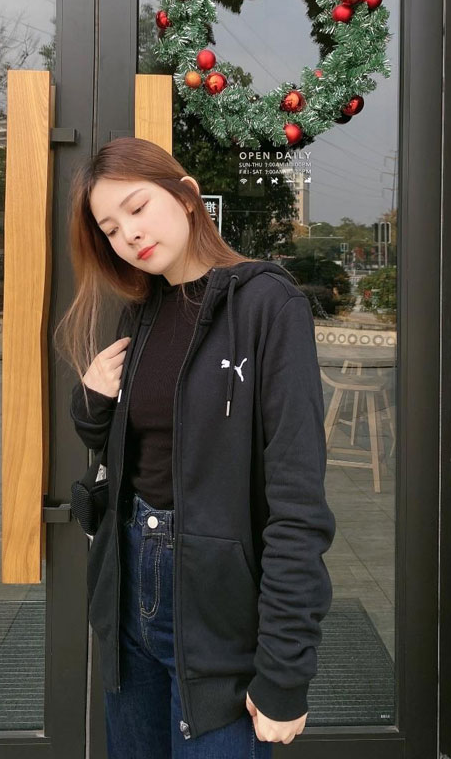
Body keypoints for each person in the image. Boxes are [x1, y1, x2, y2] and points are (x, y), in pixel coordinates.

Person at [57, 137, 336, 758]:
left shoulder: (266, 304)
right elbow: (133, 446)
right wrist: (92, 402)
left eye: (136, 208)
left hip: (220, 611)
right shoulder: (141, 312)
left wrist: (285, 670)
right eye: (110, 228)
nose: (128, 234)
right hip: (129, 587)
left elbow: (297, 500)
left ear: (185, 196)